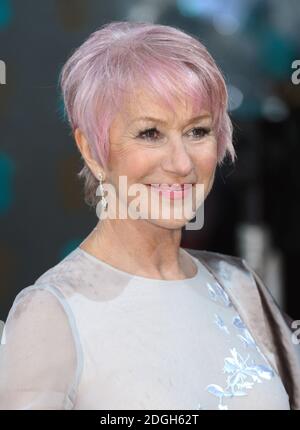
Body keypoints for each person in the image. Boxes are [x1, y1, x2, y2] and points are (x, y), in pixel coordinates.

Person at [0, 21, 299, 410]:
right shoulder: (51, 314)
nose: (180, 163)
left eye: (197, 131)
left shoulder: (241, 286)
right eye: (149, 133)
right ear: (91, 150)